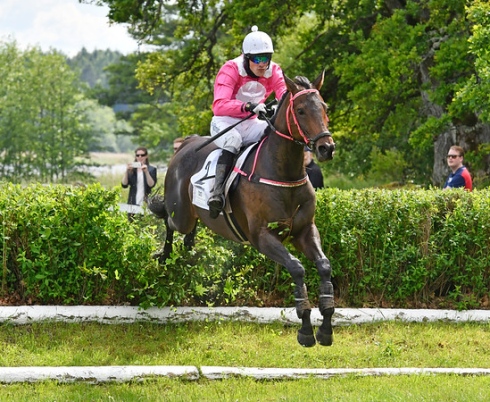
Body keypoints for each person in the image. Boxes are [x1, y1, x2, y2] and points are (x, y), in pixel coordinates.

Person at [207, 25, 288, 219]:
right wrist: (248, 107)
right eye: (258, 59)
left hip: (251, 123)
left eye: (266, 58)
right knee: (233, 139)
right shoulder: (230, 69)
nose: (263, 64)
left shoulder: (274, 70)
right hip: (225, 122)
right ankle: (216, 193)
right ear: (246, 58)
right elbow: (219, 105)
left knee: (274, 134)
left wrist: (279, 107)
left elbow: (284, 95)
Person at [121, 147, 157, 219]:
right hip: (132, 203)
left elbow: (151, 185)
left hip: (145, 202)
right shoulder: (132, 169)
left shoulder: (151, 169)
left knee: (145, 224)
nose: (140, 157)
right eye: (138, 155)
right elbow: (124, 184)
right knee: (132, 223)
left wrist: (146, 172)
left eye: (142, 155)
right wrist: (127, 171)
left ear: (146, 156)